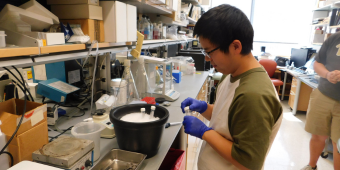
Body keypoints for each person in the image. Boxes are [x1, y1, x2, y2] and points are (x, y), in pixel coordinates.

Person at [180, 4, 283, 170]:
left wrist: (204, 132)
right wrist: (205, 108)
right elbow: (229, 120)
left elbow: (249, 162)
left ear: (236, 46)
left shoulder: (254, 95)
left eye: (210, 52)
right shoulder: (230, 73)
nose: (207, 59)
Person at [301, 33, 340, 170]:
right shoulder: (334, 38)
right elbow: (317, 63)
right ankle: (312, 166)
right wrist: (327, 74)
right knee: (317, 135)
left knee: (338, 144)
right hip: (324, 94)